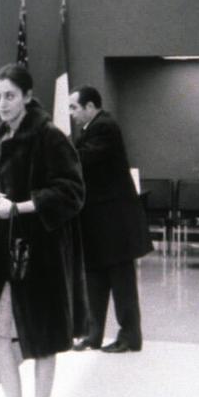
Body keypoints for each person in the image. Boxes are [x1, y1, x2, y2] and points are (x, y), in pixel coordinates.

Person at [0, 63, 85, 397]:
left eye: (9, 96)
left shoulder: (48, 136)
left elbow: (72, 192)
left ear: (26, 95)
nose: (2, 104)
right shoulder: (2, 136)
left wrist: (18, 207)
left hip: (40, 254)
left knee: (42, 342)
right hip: (9, 252)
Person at [68, 86, 150, 353]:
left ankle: (130, 337)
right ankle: (93, 334)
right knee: (95, 277)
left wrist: (53, 154)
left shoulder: (105, 127)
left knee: (121, 280)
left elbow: (82, 160)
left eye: (74, 107)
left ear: (90, 107)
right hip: (99, 220)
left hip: (114, 222)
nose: (71, 113)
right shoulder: (91, 129)